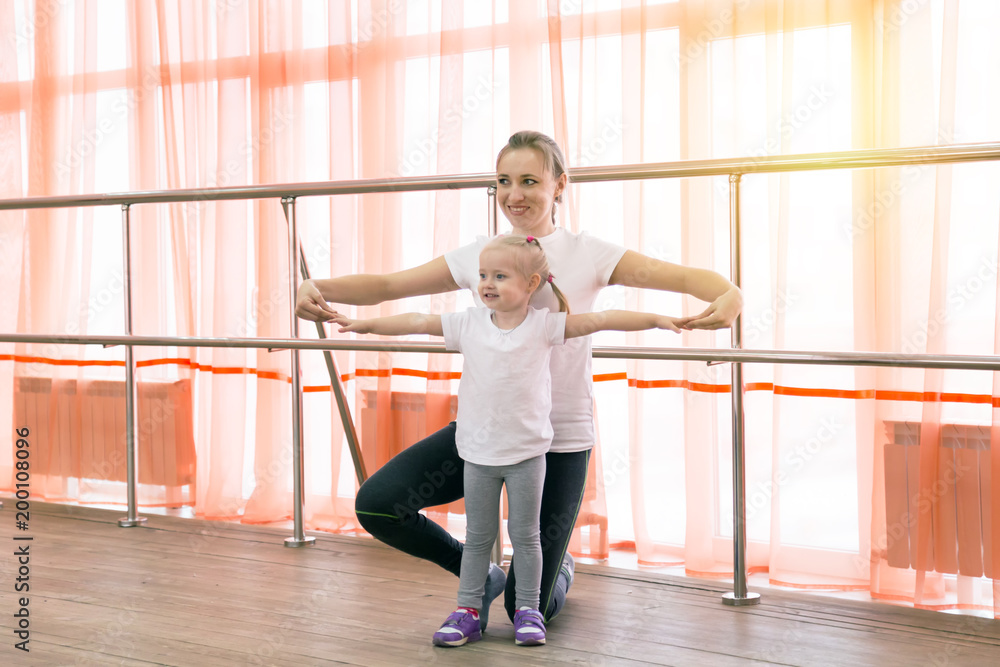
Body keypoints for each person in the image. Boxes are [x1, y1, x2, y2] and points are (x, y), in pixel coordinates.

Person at [296, 130, 742, 637]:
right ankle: (481, 574)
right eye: (504, 181)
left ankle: (560, 566)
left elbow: (682, 278)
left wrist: (729, 293)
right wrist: (319, 286)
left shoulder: (588, 252)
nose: (515, 194)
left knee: (529, 607)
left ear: (560, 186)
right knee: (378, 504)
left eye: (530, 180)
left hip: (560, 440)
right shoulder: (482, 256)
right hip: (484, 435)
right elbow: (389, 286)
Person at [327, 234, 688, 647]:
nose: (487, 283)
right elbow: (416, 322)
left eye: (500, 276)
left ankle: (528, 609)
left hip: (528, 456)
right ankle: (467, 610)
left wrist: (658, 319)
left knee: (526, 536)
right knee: (479, 538)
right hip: (478, 456)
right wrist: (365, 324)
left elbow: (601, 320)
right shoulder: (468, 323)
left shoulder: (545, 326)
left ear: (532, 284)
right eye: (483, 275)